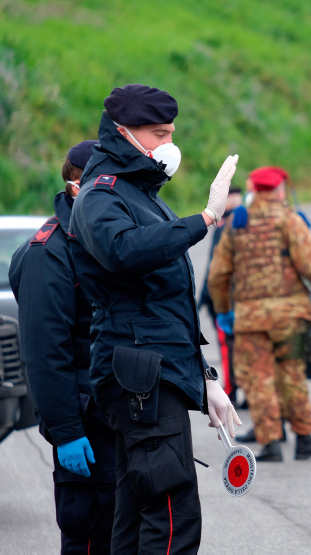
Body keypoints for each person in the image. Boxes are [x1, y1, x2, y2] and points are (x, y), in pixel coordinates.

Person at [68, 84, 241, 553]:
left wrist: (204, 378)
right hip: (139, 376)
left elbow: (166, 306)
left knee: (136, 510)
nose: (167, 144)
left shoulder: (142, 195)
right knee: (171, 512)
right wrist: (203, 219)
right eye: (157, 133)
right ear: (122, 133)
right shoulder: (103, 195)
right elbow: (121, 252)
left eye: (170, 133)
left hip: (153, 370)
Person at [9, 140, 116, 553]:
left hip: (116, 416)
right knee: (90, 535)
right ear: (77, 186)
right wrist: (68, 432)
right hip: (85, 422)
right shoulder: (48, 253)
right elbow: (44, 353)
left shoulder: (101, 240)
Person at [207, 166, 311, 462]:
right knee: (291, 374)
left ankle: (271, 443)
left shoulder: (236, 224)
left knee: (258, 379)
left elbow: (218, 274)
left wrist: (222, 310)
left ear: (253, 190)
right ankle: (304, 438)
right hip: (289, 316)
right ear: (280, 190)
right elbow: (310, 266)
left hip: (250, 318)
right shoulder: (290, 221)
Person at [198, 187, 244, 402]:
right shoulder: (236, 229)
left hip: (229, 303)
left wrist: (206, 299)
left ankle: (234, 391)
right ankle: (238, 392)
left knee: (232, 350)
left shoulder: (227, 231)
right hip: (233, 303)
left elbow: (214, 272)